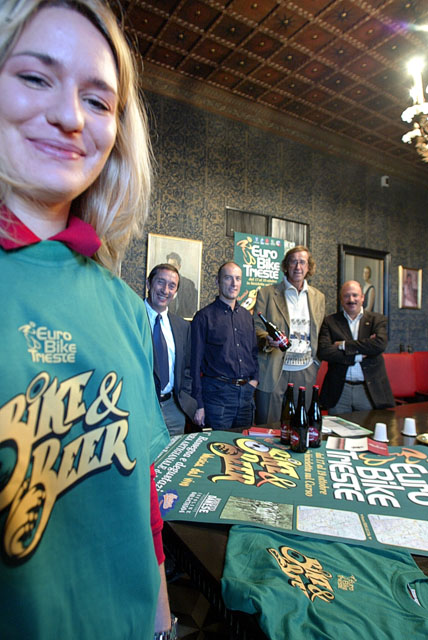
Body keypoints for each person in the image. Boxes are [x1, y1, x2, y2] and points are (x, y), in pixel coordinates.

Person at [0, 1, 175, 638]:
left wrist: (162, 620)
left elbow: (141, 497)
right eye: (35, 77)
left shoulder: (126, 307)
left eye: (98, 101)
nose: (71, 116)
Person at [253, 245, 325, 422]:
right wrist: (267, 339)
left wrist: (315, 363)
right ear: (286, 266)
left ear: (309, 267)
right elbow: (255, 328)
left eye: (302, 262)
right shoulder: (266, 293)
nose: (298, 267)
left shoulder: (318, 297)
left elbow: (319, 331)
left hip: (306, 370)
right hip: (273, 368)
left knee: (301, 424)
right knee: (268, 425)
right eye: (293, 262)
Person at [190, 261, 259, 429]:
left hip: (246, 396)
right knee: (219, 444)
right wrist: (198, 404)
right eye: (228, 278)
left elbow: (253, 353)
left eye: (238, 278)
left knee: (243, 443)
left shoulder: (247, 316)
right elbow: (194, 364)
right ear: (218, 281)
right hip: (217, 396)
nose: (234, 283)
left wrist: (255, 380)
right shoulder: (204, 317)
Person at [317, 281, 394, 414]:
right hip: (339, 391)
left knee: (368, 426)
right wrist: (358, 355)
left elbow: (379, 344)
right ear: (341, 299)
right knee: (337, 427)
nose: (351, 299)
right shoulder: (330, 321)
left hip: (368, 390)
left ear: (362, 297)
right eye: (346, 296)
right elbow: (324, 352)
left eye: (355, 295)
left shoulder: (377, 320)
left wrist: (343, 345)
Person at [145, 263, 197, 436]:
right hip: (143, 408)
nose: (165, 290)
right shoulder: (133, 318)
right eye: (160, 282)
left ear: (175, 292)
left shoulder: (182, 326)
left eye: (172, 285)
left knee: (174, 453)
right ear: (149, 283)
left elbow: (187, 369)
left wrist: (184, 401)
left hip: (173, 410)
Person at [166, 251, 198, 319]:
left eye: (174, 265)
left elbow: (192, 307)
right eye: (169, 265)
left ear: (179, 266)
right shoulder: (162, 284)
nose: (171, 268)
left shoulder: (188, 285)